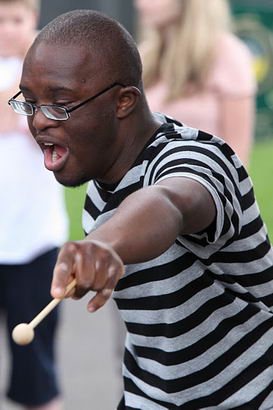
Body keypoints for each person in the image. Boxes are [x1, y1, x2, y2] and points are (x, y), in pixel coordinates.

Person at [8, 9, 273, 409]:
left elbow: (171, 201)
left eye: (60, 104)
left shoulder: (198, 157)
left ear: (123, 102)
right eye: (29, 103)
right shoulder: (101, 176)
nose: (40, 121)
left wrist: (104, 244)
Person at [0, 1, 68, 409]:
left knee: (37, 370)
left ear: (34, 22)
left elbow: (51, 135)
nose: (7, 28)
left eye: (16, 19)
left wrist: (25, 96)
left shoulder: (48, 78)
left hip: (34, 243)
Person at [134, 0, 257, 168]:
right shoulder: (144, 57)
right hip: (144, 188)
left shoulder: (227, 53)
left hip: (204, 187)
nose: (141, 3)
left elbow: (238, 157)